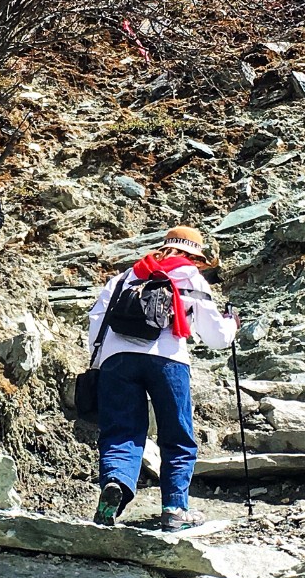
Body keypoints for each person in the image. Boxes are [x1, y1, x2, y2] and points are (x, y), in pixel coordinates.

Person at [83, 225, 234, 531]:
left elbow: (96, 322)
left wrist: (103, 361)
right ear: (192, 255)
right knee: (176, 434)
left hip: (116, 360)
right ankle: (175, 509)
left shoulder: (125, 277)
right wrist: (232, 324)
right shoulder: (190, 277)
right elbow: (217, 337)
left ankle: (116, 484)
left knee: (121, 431)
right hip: (169, 360)